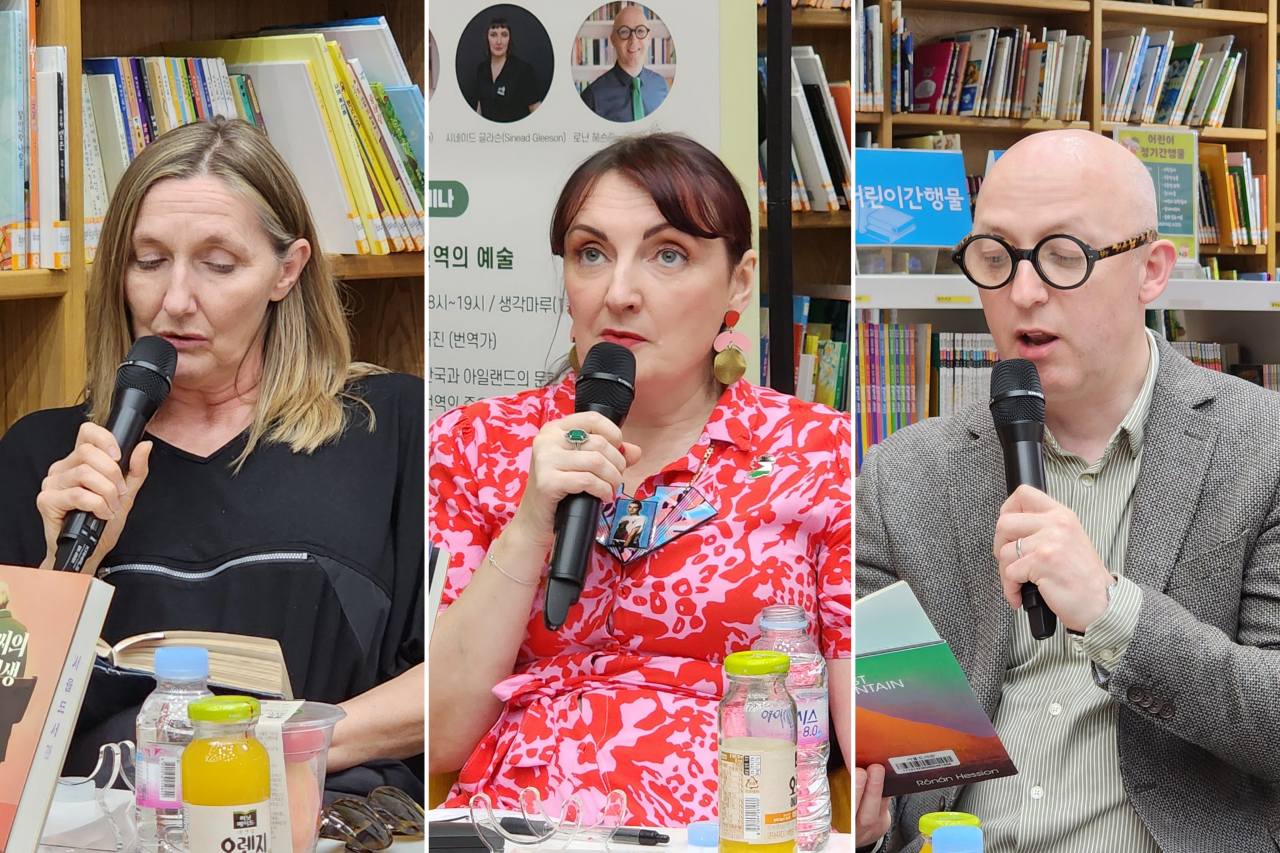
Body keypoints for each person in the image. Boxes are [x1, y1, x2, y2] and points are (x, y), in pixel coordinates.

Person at [855, 129, 1280, 852]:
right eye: (995, 258)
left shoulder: (1263, 447)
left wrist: (1117, 613)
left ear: (1151, 271)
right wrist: (864, 811)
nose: (1023, 292)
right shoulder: (905, 476)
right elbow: (894, 757)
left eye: (1062, 256)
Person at [430, 132, 851, 825]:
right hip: (516, 826)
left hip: (737, 825)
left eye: (668, 255)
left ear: (738, 281)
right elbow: (440, 730)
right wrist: (533, 522)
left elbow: (865, 737)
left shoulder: (816, 450)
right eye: (590, 253)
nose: (618, 293)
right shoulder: (475, 441)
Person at [0, 117, 425, 797]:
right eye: (149, 261)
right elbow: (5, 727)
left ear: (286, 271)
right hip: (104, 824)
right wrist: (65, 566)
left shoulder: (391, 425)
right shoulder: (48, 456)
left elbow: (462, 674)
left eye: (218, 264)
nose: (174, 300)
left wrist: (263, 747)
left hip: (324, 817)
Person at [580, 4, 670, 123]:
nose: (633, 40)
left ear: (649, 38)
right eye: (624, 32)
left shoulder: (662, 86)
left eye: (641, 31)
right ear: (613, 40)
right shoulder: (593, 95)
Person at [472, 16, 542, 122]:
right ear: (487, 38)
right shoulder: (482, 69)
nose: (499, 42)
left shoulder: (523, 70)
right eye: (493, 35)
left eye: (504, 35)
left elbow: (537, 112)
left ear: (510, 39)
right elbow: (480, 108)